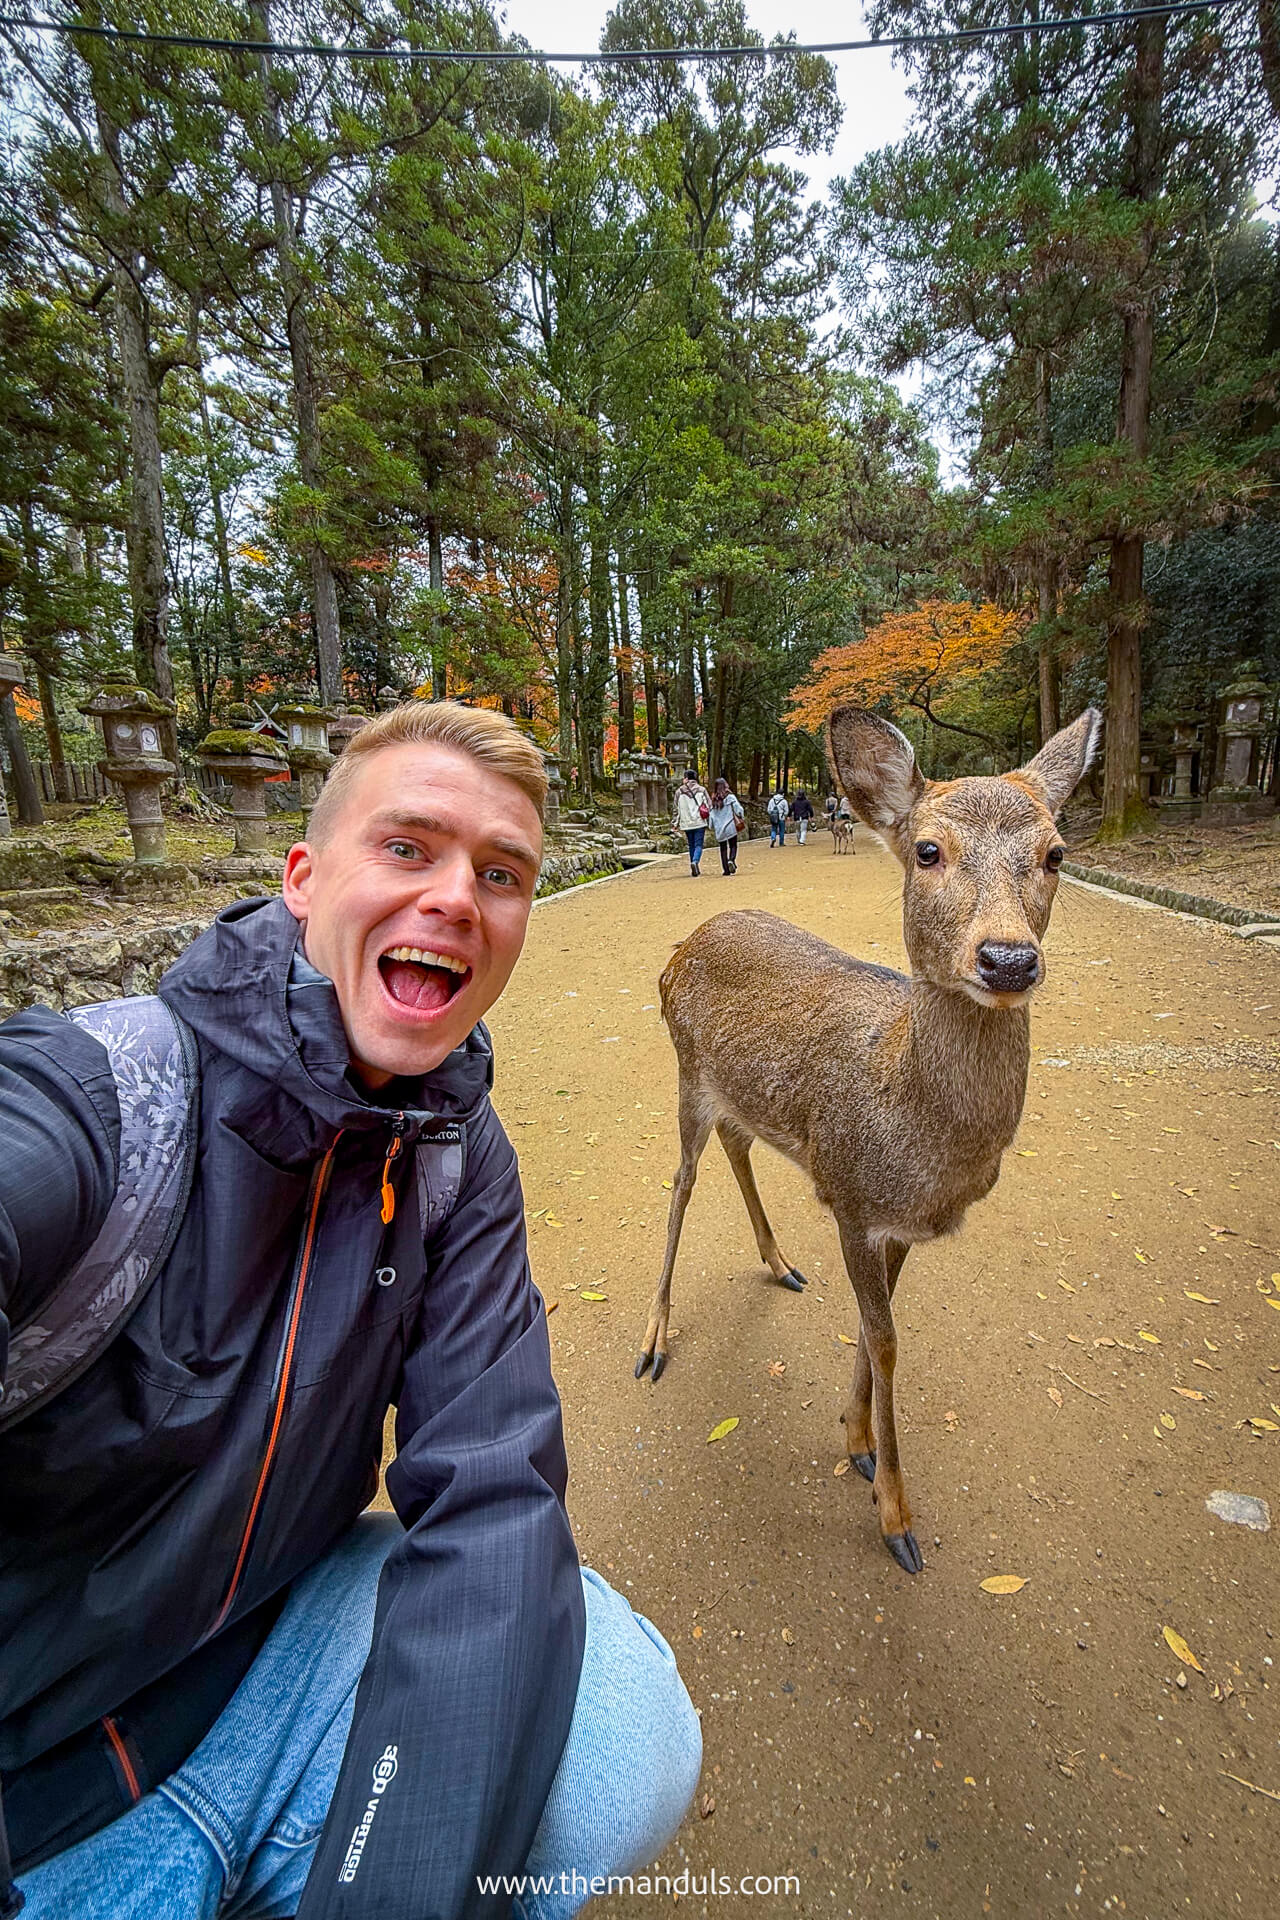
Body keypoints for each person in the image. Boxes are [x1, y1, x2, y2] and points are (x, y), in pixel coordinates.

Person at [0, 702, 701, 1920]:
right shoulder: (96, 1101)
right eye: (405, 848)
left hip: (248, 1672)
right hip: (37, 1805)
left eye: (500, 875)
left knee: (621, 1725)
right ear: (299, 879)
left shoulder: (449, 1152)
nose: (454, 899)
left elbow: (492, 1500)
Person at [671, 768, 711, 876]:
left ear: (686, 778)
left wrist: (675, 823)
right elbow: (708, 806)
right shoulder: (701, 790)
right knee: (698, 844)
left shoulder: (679, 792)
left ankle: (693, 865)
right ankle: (695, 861)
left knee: (691, 845)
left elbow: (676, 809)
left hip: (686, 822)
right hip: (699, 822)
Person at [707, 776, 745, 877]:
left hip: (719, 828)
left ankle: (726, 870)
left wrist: (711, 826)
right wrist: (741, 816)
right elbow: (738, 809)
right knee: (733, 845)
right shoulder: (730, 797)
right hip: (730, 825)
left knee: (723, 848)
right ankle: (731, 859)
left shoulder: (713, 800)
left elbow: (711, 815)